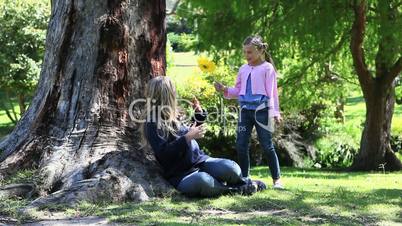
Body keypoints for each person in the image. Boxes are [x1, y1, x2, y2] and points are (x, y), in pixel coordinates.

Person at [140, 76, 266, 198]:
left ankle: (244, 183)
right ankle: (236, 189)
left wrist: (199, 114)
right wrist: (187, 138)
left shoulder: (175, 114)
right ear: (166, 95)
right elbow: (164, 153)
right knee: (203, 181)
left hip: (199, 161)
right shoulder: (152, 123)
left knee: (231, 168)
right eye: (173, 92)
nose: (175, 95)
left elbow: (188, 130)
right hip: (180, 174)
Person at [214, 35, 284, 189]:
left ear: (260, 51)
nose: (247, 55)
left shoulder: (267, 68)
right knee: (241, 145)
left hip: (262, 112)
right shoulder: (243, 69)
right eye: (245, 52)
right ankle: (244, 178)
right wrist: (225, 89)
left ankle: (277, 179)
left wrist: (275, 112)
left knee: (267, 145)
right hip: (245, 112)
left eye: (250, 52)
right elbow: (238, 90)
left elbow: (272, 93)